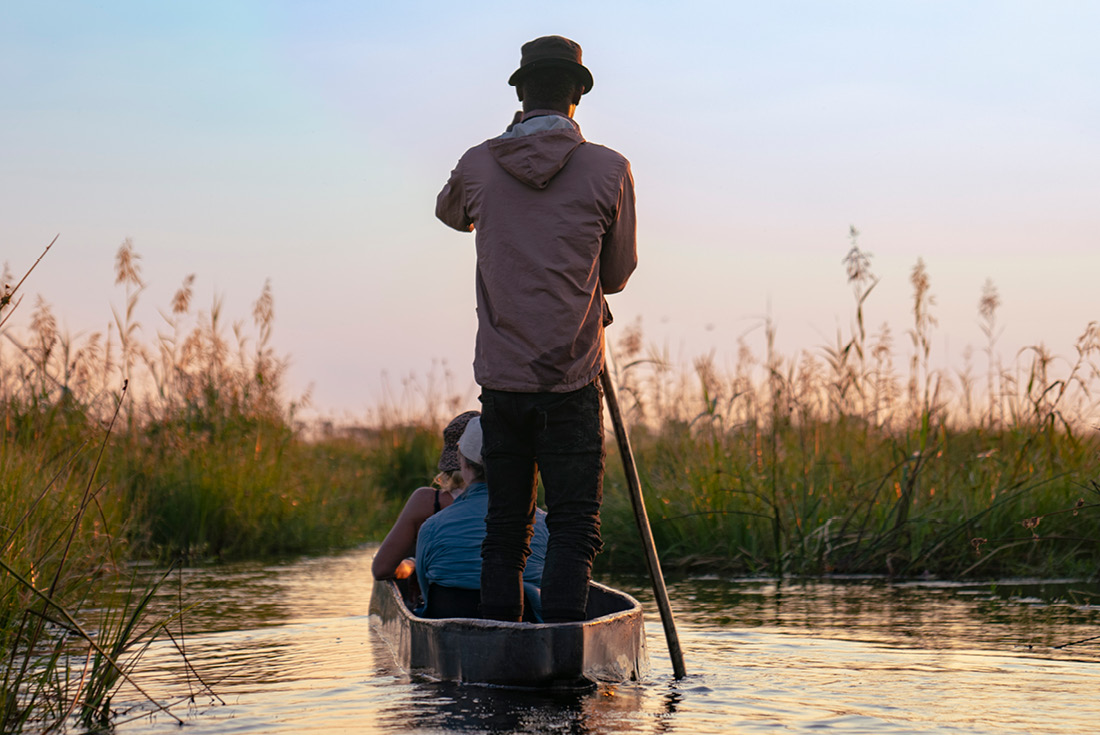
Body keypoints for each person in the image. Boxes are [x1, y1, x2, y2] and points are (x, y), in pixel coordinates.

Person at [436, 35, 637, 623]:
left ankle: (500, 644)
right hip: (574, 376)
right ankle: (565, 648)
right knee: (575, 524)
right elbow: (618, 276)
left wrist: (500, 147)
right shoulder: (612, 168)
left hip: (503, 379)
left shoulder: (479, 162)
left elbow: (451, 213)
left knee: (506, 524)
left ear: (520, 94)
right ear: (579, 95)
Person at [415, 417, 549, 619]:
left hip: (452, 633)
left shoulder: (431, 527)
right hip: (528, 630)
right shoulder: (546, 526)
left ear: (463, 465)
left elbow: (428, 596)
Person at [371, 410, 480, 581]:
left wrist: (412, 563)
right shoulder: (515, 503)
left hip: (446, 601)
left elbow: (382, 569)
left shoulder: (427, 501)